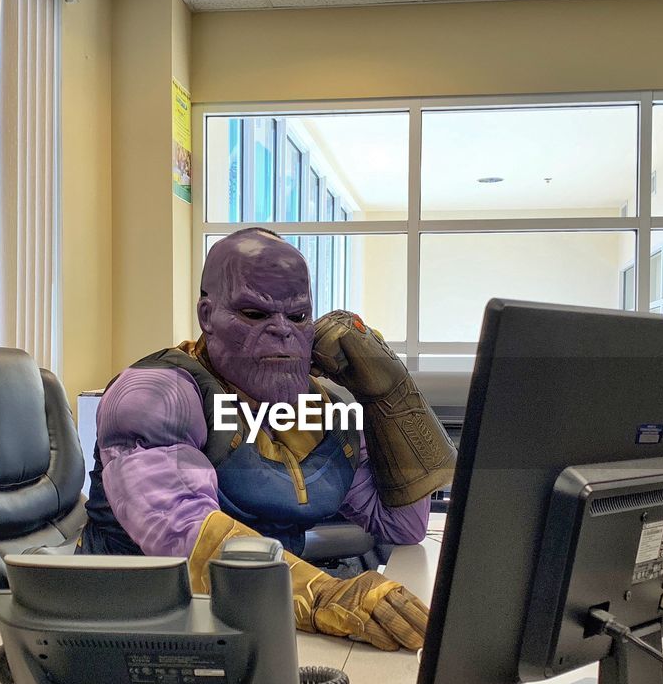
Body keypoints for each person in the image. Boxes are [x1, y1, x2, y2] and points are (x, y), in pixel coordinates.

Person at [80, 227, 456, 652]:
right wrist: (323, 595)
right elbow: (181, 531)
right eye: (255, 314)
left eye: (298, 317)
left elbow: (402, 526)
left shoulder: (324, 407)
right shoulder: (155, 393)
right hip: (133, 628)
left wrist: (388, 393)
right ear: (207, 315)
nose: (281, 331)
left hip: (264, 621)